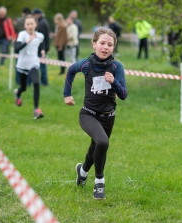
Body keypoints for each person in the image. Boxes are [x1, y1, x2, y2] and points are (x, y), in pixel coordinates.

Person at [63, 28, 127, 200]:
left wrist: (114, 82)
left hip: (109, 116)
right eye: (102, 43)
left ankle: (82, 172)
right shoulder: (85, 64)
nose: (105, 47)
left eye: (110, 44)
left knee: (97, 147)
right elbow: (70, 70)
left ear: (113, 47)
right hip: (88, 114)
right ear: (94, 44)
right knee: (102, 142)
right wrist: (67, 94)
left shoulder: (116, 67)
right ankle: (99, 181)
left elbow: (123, 95)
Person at [14, 15, 45, 120]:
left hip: (33, 64)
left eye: (32, 23)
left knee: (36, 83)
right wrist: (28, 41)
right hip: (22, 65)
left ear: (35, 25)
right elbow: (16, 49)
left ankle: (36, 109)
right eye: (28, 24)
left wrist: (42, 50)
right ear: (25, 26)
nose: (30, 26)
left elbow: (41, 43)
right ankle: (17, 93)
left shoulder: (40, 35)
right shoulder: (22, 35)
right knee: (24, 88)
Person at [14, 7, 31, 85]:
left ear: (23, 13)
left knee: (19, 63)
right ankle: (29, 82)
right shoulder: (32, 20)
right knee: (30, 64)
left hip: (20, 43)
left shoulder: (19, 20)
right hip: (30, 43)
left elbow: (14, 29)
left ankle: (18, 81)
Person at [33, 9, 50, 86]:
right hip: (43, 47)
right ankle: (43, 82)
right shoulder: (43, 21)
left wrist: (43, 49)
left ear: (38, 14)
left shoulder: (42, 23)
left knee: (42, 66)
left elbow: (42, 38)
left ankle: (44, 82)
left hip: (41, 48)